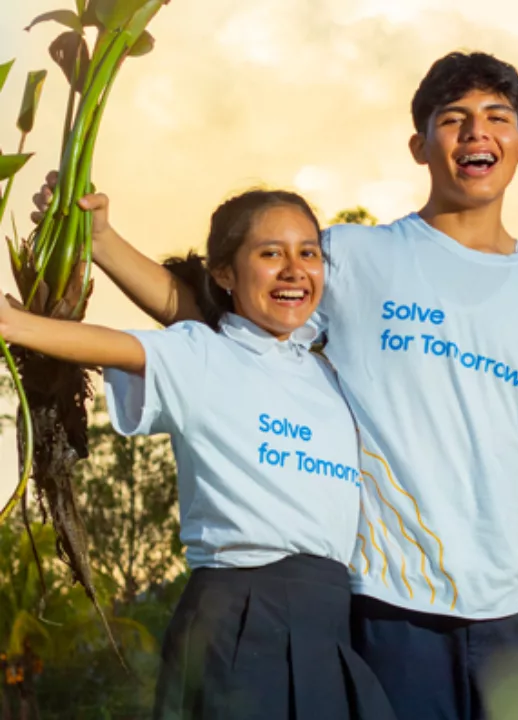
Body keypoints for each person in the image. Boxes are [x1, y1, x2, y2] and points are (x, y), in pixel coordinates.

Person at [34, 52, 518, 719]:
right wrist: (101, 243)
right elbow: (216, 320)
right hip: (385, 603)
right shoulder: (351, 257)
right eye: (453, 120)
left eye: (496, 119)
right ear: (420, 145)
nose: (475, 134)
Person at [3, 189, 394, 719]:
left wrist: (102, 240)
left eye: (309, 253)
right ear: (225, 275)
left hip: (329, 617)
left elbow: (189, 305)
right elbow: (114, 342)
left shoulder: (324, 363)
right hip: (239, 612)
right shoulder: (202, 353)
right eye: (270, 253)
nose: (294, 269)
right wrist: (16, 323)